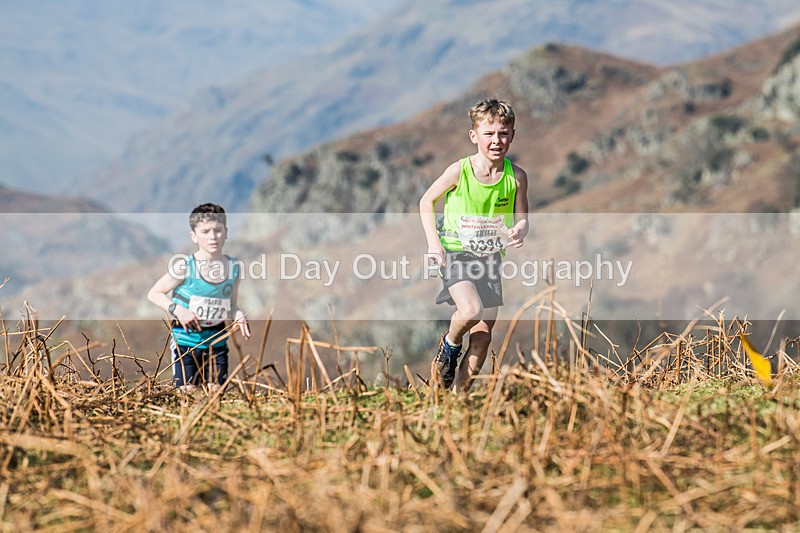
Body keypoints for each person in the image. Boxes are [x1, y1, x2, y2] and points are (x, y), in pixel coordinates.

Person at [419, 98, 529, 390]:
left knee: (482, 336)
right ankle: (450, 345)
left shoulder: (516, 177)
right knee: (470, 311)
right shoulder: (460, 171)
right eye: (489, 134)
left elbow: (522, 217)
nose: (496, 140)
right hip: (456, 253)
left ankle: (457, 399)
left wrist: (520, 229)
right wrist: (434, 244)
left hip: (490, 258)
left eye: (503, 133)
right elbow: (426, 200)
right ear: (474, 136)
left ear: (512, 135)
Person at [148, 203, 250, 393]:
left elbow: (231, 304)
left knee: (215, 393)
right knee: (188, 393)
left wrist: (238, 315)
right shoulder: (185, 266)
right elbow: (154, 293)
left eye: (218, 230)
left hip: (217, 344)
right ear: (194, 236)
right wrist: (179, 311)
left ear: (226, 232)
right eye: (205, 231)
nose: (213, 236)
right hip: (185, 343)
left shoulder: (235, 267)